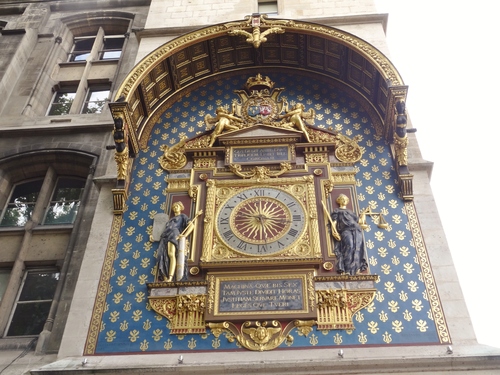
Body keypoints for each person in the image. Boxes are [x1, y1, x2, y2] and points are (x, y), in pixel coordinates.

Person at [155, 202, 201, 282]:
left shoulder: (183, 216)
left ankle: (170, 277)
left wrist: (184, 235)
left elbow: (191, 226)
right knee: (166, 255)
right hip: (166, 236)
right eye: (174, 206)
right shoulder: (170, 220)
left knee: (171, 254)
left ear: (181, 208)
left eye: (177, 206)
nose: (175, 207)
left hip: (174, 234)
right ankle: (167, 276)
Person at [329, 194, 368, 275]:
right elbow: (334, 223)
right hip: (346, 231)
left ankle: (356, 270)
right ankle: (347, 270)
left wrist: (364, 213)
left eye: (345, 199)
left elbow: (360, 222)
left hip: (357, 230)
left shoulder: (350, 212)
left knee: (357, 249)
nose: (344, 200)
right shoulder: (337, 211)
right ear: (339, 201)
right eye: (342, 199)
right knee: (349, 247)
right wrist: (334, 232)